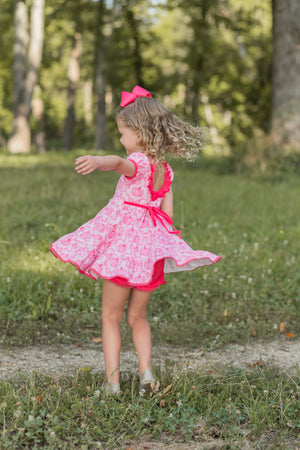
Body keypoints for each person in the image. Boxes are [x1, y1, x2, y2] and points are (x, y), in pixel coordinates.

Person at [50, 85, 221, 396]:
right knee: (137, 316)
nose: (121, 139)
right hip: (148, 256)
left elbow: (118, 163)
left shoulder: (139, 162)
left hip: (123, 254)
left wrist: (96, 159)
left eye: (123, 133)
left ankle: (113, 384)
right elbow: (167, 217)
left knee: (110, 316)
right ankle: (146, 372)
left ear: (141, 133)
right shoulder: (165, 171)